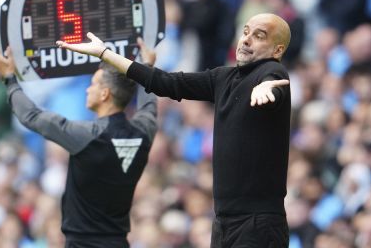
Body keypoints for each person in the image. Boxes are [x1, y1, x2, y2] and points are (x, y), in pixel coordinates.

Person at [57, 13, 292, 247]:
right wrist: (105, 54)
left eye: (259, 36)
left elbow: (276, 81)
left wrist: (268, 89)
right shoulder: (224, 78)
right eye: (246, 32)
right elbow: (166, 82)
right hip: (223, 223)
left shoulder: (271, 73)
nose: (247, 40)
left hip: (259, 224)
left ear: (277, 50)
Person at [0, 39, 158, 248]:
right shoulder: (144, 132)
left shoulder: (88, 136)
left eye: (94, 84)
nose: (88, 89)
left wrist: (9, 78)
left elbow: (31, 116)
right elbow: (149, 106)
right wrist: (148, 68)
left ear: (105, 94)